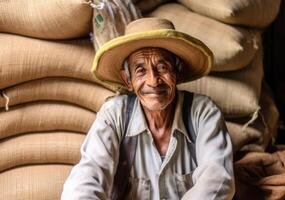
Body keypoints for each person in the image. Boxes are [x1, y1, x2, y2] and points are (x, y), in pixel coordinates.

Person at [61, 17, 235, 200]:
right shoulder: (115, 115)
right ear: (128, 80)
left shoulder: (202, 113)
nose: (153, 81)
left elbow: (218, 180)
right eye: (140, 71)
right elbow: (87, 177)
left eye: (162, 67)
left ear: (178, 72)